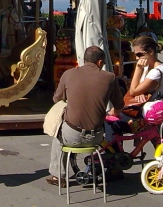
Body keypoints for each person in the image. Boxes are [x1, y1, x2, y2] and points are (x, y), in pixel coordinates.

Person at [46, 46, 124, 187]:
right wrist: (112, 111)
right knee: (108, 127)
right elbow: (119, 105)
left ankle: (58, 176)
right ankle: (114, 167)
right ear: (100, 62)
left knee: (58, 134)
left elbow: (56, 99)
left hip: (71, 135)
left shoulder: (68, 74)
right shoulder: (110, 77)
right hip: (96, 137)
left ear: (83, 59)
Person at [128, 34, 163, 101]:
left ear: (150, 52)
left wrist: (138, 68)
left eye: (139, 54)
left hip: (154, 108)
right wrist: (140, 92)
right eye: (135, 55)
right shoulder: (147, 66)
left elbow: (132, 91)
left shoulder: (156, 72)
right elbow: (136, 87)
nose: (137, 58)